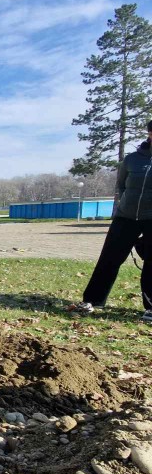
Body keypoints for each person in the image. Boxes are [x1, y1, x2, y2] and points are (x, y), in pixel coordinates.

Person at [70, 120, 152, 322]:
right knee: (109, 258)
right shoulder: (132, 159)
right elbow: (122, 185)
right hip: (125, 216)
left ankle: (150, 307)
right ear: (149, 133)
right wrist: (125, 203)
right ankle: (92, 300)